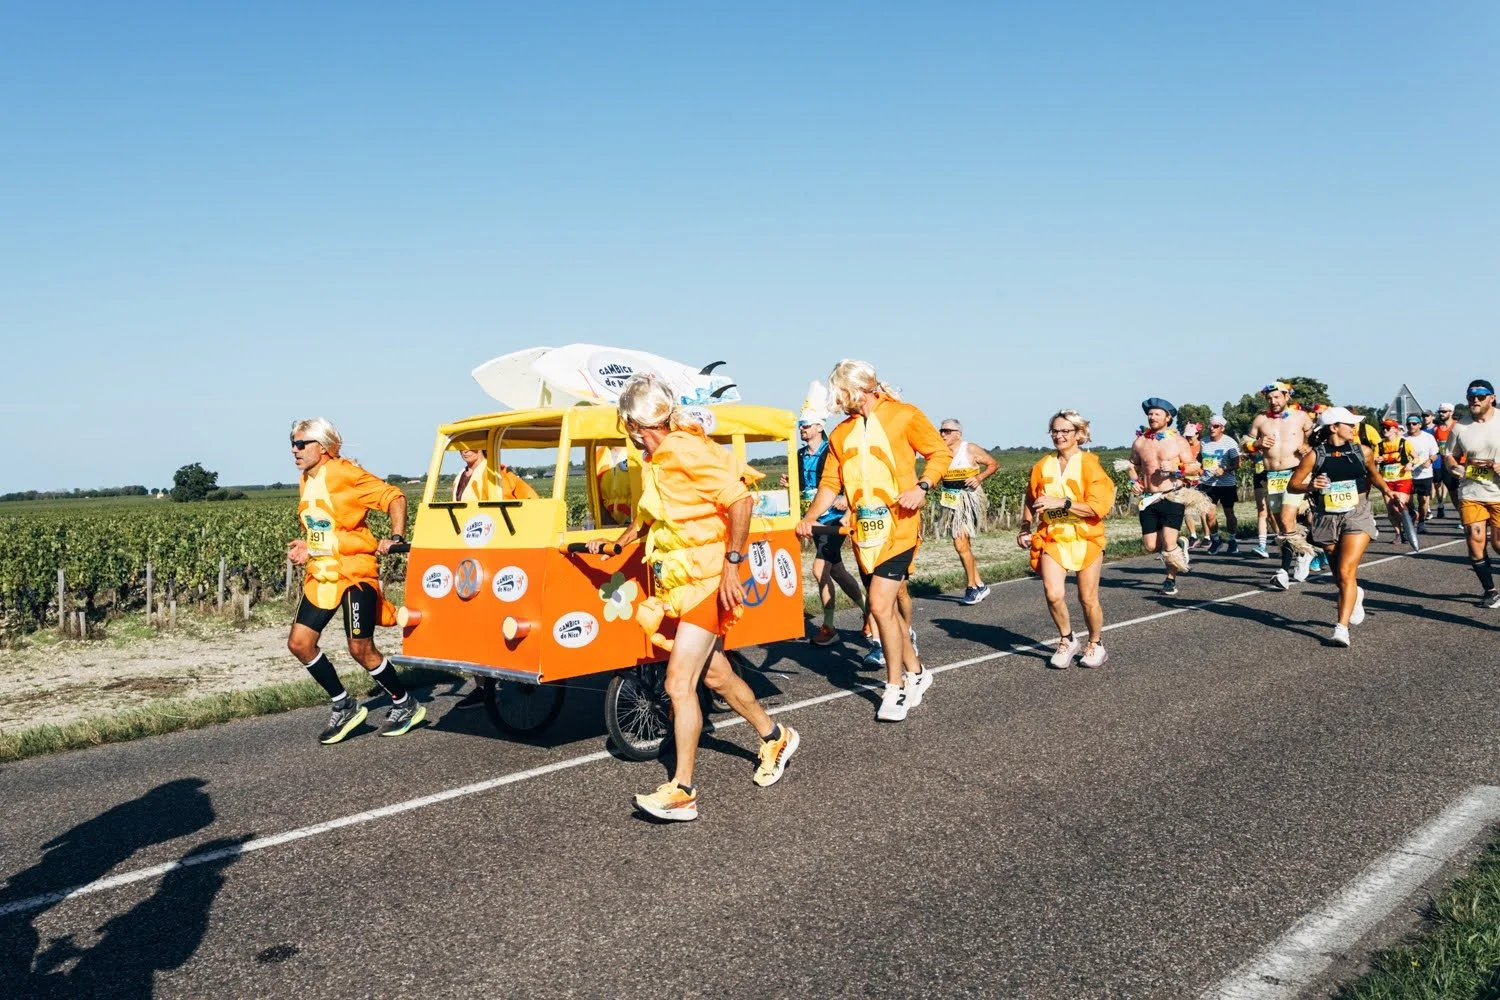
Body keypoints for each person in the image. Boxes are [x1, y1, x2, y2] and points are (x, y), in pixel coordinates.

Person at [590, 374, 799, 822]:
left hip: (708, 579)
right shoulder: (655, 458)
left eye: (625, 423)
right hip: (681, 583)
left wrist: (733, 565)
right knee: (716, 677)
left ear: (633, 422)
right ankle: (774, 735)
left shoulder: (685, 449)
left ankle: (682, 790)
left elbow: (740, 500)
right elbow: (651, 519)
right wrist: (612, 545)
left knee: (677, 684)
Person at [798, 359, 952, 722]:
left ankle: (895, 687)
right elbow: (831, 485)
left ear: (855, 389)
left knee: (880, 606)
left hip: (899, 529)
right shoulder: (840, 434)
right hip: (864, 536)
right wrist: (809, 517)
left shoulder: (904, 415)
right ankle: (917, 673)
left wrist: (922, 486)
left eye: (839, 393)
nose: (837, 401)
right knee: (890, 611)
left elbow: (938, 453)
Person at [285, 418, 424, 743]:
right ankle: (344, 705)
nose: (295, 449)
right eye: (292, 443)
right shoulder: (305, 478)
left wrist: (395, 535)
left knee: (360, 648)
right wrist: (308, 544)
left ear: (322, 446)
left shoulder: (345, 473)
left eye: (301, 443)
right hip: (323, 573)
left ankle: (406, 704)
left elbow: (394, 497)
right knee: (299, 644)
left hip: (354, 573)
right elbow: (323, 526)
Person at [1287, 408, 1407, 646]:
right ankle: (1356, 593)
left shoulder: (1363, 451)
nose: (1354, 428)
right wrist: (1312, 485)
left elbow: (1374, 476)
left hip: (1357, 512)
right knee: (1340, 577)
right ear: (1333, 427)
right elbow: (1294, 485)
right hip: (1326, 516)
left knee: (1345, 570)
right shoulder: (1315, 455)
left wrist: (1388, 492)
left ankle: (1341, 629)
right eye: (1349, 424)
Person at [1017, 410, 1117, 668]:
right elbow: (1031, 498)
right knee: (1053, 593)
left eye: (1065, 431)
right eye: (1055, 431)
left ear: (1079, 434)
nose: (1059, 436)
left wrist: (1062, 502)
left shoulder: (1090, 464)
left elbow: (1098, 507)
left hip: (1086, 537)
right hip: (1053, 536)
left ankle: (1095, 644)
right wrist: (1025, 526)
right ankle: (1067, 639)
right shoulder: (1042, 465)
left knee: (1088, 598)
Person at [789, 415, 863, 646]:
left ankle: (829, 627)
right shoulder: (799, 455)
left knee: (819, 568)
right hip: (814, 519)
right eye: (801, 426)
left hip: (834, 521)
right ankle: (870, 610)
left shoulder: (832, 451)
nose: (802, 429)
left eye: (807, 425)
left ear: (819, 427)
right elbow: (806, 487)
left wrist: (848, 503)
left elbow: (853, 479)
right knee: (837, 571)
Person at [1128, 398, 1201, 595]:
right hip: (1149, 499)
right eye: (1150, 414)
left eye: (1157, 414)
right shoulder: (1140, 442)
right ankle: (1180, 543)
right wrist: (1133, 482)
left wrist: (1178, 468)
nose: (1152, 417)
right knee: (1151, 546)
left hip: (1172, 496)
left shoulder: (1178, 441)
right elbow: (1132, 466)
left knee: (1168, 546)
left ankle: (1170, 579)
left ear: (1168, 418)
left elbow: (1195, 468)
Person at [1250, 382, 1317, 590]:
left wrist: (1308, 445)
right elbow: (1246, 442)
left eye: (1277, 397)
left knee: (1289, 521)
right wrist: (1257, 444)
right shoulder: (1261, 419)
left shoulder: (1300, 416)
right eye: (1270, 398)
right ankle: (1304, 552)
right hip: (1273, 476)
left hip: (1295, 472)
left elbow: (1317, 435)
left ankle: (1283, 572)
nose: (1273, 401)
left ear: (1287, 396)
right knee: (1281, 524)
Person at [1447, 379, 1500, 609]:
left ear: (1492, 398)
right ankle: (1491, 591)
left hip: (1498, 493)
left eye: (1480, 396)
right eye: (1470, 397)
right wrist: (1453, 467)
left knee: (1498, 544)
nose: (1474, 400)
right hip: (1471, 491)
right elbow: (1449, 454)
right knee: (1475, 542)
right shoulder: (1460, 426)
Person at [935, 419, 998, 604]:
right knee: (964, 545)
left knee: (960, 544)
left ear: (958, 433)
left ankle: (971, 587)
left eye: (947, 431)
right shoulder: (940, 452)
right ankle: (980, 585)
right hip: (949, 501)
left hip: (967, 500)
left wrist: (979, 477)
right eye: (941, 431)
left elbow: (993, 464)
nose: (943, 434)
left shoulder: (969, 449)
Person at [1198, 416, 1241, 554]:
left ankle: (1232, 539)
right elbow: (1200, 459)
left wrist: (1224, 469)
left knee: (1229, 513)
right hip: (1208, 483)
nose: (1211, 428)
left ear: (1222, 428)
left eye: (1215, 426)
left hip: (1226, 484)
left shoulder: (1230, 442)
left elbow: (1237, 463)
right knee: (1209, 514)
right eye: (1210, 426)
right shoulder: (1203, 442)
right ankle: (1216, 540)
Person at [1375, 420, 1415, 543]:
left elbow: (1415, 456)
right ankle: (1399, 534)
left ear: (1395, 429)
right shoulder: (1379, 444)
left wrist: (1410, 463)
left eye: (1387, 428)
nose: (1384, 430)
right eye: (1383, 428)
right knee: (1390, 510)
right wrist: (1377, 460)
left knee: (1397, 506)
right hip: (1386, 479)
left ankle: (1409, 525)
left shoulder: (1404, 442)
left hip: (1403, 478)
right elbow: (1374, 458)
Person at [453, 444, 539, 503]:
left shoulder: (496, 472)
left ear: (482, 445)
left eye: (470, 445)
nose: (465, 450)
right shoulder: (460, 476)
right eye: (461, 446)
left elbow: (529, 498)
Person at [1404, 414, 1439, 533]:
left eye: (1414, 424)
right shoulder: (1403, 438)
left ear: (1419, 425)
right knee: (1407, 500)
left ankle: (1422, 523)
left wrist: (1429, 461)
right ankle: (1413, 514)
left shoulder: (1428, 437)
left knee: (1423, 500)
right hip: (1407, 475)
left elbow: (1435, 454)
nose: (1411, 426)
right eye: (1409, 424)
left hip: (1424, 474)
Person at [1431, 402, 1460, 519]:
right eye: (1440, 412)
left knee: (1460, 492)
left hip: (1459, 463)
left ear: (1451, 412)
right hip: (1445, 464)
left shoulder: (1457, 426)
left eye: (1444, 411)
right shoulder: (1437, 429)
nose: (1441, 414)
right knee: (1452, 492)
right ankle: (1462, 516)